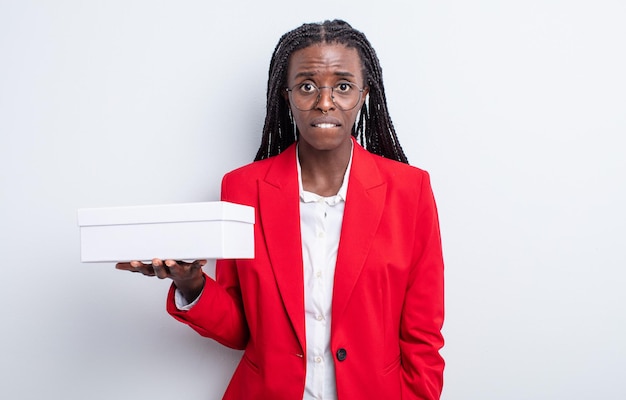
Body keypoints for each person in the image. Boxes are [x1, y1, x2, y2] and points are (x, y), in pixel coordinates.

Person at [116, 19, 444, 400]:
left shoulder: (410, 190)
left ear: (365, 93)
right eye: (307, 86)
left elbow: (422, 337)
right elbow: (241, 330)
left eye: (342, 86)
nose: (324, 102)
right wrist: (192, 284)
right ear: (285, 95)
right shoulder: (243, 188)